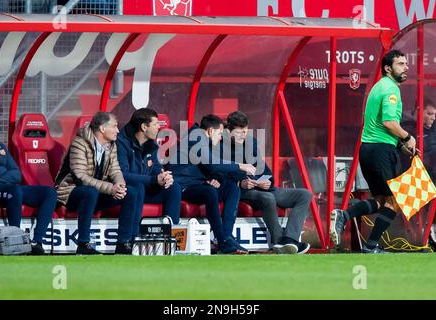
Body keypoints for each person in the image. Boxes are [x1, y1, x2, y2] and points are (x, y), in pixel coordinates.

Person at [330, 49, 416, 254]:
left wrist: (399, 144)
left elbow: (379, 124)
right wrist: (407, 137)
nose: (406, 67)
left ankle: (345, 217)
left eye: (406, 63)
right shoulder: (391, 90)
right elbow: (389, 122)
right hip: (380, 151)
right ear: (388, 68)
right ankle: (370, 246)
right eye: (400, 64)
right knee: (395, 201)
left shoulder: (379, 87)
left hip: (370, 149)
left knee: (380, 200)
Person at [225, 111, 312, 254]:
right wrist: (240, 183)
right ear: (229, 131)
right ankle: (279, 242)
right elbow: (219, 173)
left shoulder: (250, 143)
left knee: (304, 195)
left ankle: (289, 240)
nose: (243, 135)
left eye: (245, 131)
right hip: (242, 191)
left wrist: (267, 182)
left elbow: (264, 170)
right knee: (268, 197)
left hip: (262, 188)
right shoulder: (220, 147)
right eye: (239, 132)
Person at [55, 111, 142, 255]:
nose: (117, 130)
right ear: (102, 128)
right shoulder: (79, 142)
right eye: (114, 126)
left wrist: (120, 186)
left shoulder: (111, 145)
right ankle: (83, 244)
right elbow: (81, 177)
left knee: (131, 192)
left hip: (97, 192)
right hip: (69, 192)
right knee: (90, 191)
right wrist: (110, 188)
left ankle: (123, 243)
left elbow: (115, 171)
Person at [167, 115, 256, 254]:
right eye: (220, 133)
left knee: (231, 187)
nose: (221, 137)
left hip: (197, 184)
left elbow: (207, 167)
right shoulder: (197, 137)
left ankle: (226, 236)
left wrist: (214, 178)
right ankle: (222, 240)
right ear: (209, 131)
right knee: (209, 192)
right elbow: (212, 163)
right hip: (183, 186)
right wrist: (240, 166)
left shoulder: (203, 140)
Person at [0, 110, 57, 255]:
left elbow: (16, 174)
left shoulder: (0, 147)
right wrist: (1, 170)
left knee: (49, 192)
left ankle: (37, 241)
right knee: (14, 190)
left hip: (7, 187)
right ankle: (16, 241)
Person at [117, 108, 181, 239]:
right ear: (144, 127)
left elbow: (156, 168)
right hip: (125, 191)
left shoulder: (152, 145)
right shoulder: (121, 144)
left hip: (146, 189)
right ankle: (132, 238)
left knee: (173, 188)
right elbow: (122, 175)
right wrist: (153, 180)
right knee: (137, 188)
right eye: (156, 124)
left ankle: (169, 238)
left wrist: (164, 177)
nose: (159, 127)